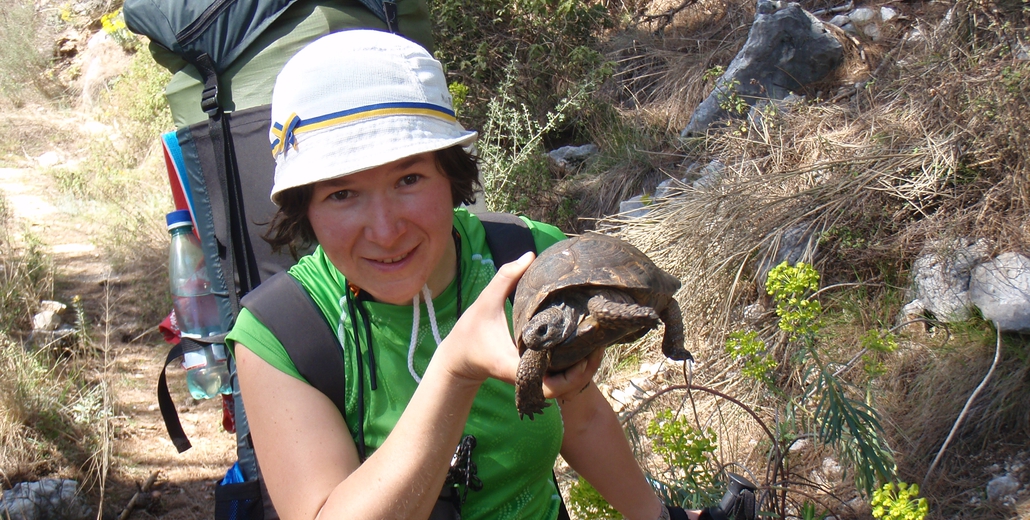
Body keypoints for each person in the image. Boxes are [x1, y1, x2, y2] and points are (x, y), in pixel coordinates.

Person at [227, 29, 703, 520]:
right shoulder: (283, 335)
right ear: (304, 207)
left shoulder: (525, 259)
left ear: (451, 175)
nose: (387, 231)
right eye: (341, 194)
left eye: (409, 179)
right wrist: (456, 371)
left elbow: (582, 422)